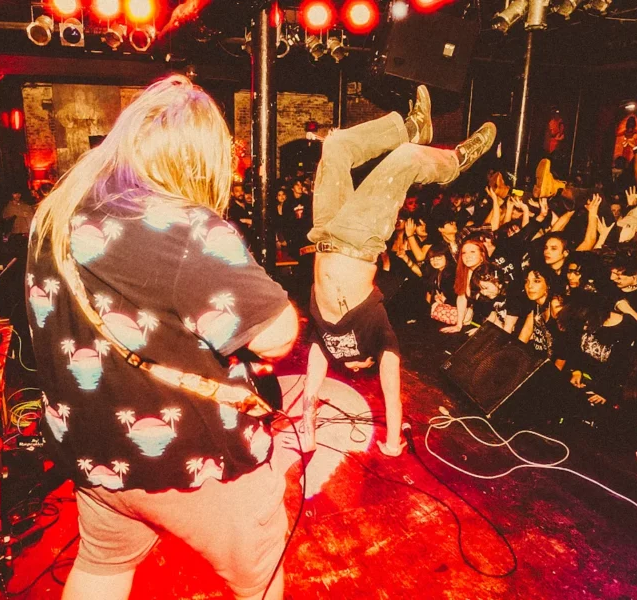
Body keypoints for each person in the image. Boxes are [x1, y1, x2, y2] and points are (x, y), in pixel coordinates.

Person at [27, 75, 298, 600]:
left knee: (102, 567)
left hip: (95, 450)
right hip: (196, 458)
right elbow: (276, 336)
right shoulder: (186, 228)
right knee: (259, 581)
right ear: (198, 157)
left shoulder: (55, 216)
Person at [299, 85, 497, 456]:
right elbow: (391, 391)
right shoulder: (380, 336)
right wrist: (393, 442)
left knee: (335, 146)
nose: (354, 367)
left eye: (352, 367)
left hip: (324, 232)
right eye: (362, 366)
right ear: (370, 360)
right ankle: (457, 160)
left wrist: (308, 435)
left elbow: (309, 393)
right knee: (405, 159)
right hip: (359, 238)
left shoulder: (324, 343)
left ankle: (411, 127)